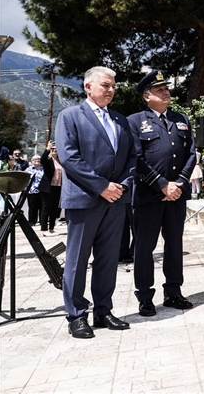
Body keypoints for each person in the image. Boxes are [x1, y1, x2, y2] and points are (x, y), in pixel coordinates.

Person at [55, 66, 136, 339]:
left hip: (116, 200)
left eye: (114, 86)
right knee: (77, 260)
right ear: (88, 87)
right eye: (106, 85)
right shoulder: (70, 116)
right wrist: (101, 187)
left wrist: (123, 185)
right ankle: (76, 315)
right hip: (85, 199)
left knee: (108, 259)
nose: (111, 90)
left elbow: (131, 157)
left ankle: (104, 310)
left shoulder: (120, 120)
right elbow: (69, 157)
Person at [127, 70, 197, 317]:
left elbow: (191, 153)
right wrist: (161, 184)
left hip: (176, 194)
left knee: (175, 244)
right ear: (147, 96)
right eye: (160, 90)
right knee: (144, 247)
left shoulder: (181, 118)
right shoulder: (135, 121)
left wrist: (179, 183)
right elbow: (136, 158)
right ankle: (145, 296)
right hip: (148, 196)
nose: (166, 92)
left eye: (167, 88)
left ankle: (173, 292)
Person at [39, 141, 63, 233]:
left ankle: (51, 228)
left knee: (54, 208)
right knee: (46, 207)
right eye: (53, 149)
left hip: (57, 186)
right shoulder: (48, 160)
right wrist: (47, 148)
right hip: (47, 187)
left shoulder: (61, 161)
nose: (54, 150)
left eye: (56, 149)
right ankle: (44, 228)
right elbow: (42, 159)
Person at [24, 156, 43, 225]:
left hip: (42, 191)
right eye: (35, 159)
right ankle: (32, 221)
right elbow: (24, 179)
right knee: (32, 207)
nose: (37, 160)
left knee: (42, 207)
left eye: (38, 159)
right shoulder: (28, 169)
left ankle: (42, 221)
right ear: (31, 161)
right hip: (31, 191)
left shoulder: (43, 169)